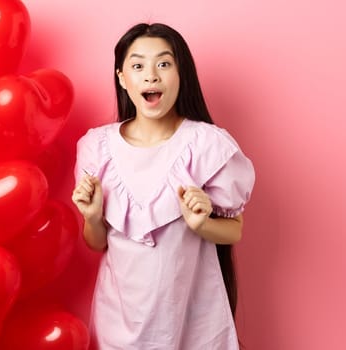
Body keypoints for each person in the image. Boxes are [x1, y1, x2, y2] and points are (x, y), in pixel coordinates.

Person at [71, 22, 255, 349]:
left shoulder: (207, 146)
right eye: (138, 65)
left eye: (164, 64)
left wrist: (202, 223)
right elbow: (96, 242)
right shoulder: (96, 148)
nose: (151, 75)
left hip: (191, 320)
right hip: (118, 324)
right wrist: (92, 216)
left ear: (180, 73)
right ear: (122, 77)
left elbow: (235, 230)